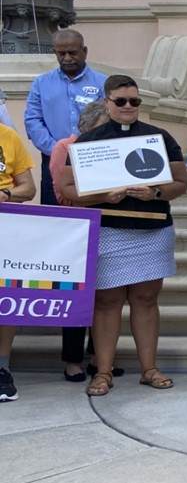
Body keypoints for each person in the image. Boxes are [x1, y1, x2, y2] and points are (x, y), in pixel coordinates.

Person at [58, 75, 187, 397]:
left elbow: (180, 183)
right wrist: (104, 196)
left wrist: (155, 191)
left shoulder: (159, 137)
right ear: (107, 102)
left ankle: (149, 368)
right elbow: (66, 188)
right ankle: (102, 372)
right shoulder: (88, 142)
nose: (129, 107)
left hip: (152, 230)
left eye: (135, 101)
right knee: (107, 302)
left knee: (145, 299)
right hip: (108, 230)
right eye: (121, 101)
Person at [23, 29, 107, 381]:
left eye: (73, 52)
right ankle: (71, 357)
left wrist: (87, 148)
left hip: (101, 166)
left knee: (102, 274)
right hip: (56, 166)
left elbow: (113, 123)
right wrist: (59, 148)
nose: (67, 58)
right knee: (70, 268)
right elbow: (31, 122)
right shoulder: (42, 84)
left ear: (84, 50)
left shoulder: (104, 82)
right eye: (60, 53)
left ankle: (97, 356)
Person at [0, 121, 38, 402]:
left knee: (5, 297)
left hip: (6, 226)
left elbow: (28, 188)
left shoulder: (8, 136)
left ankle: (2, 370)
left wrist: (6, 194)